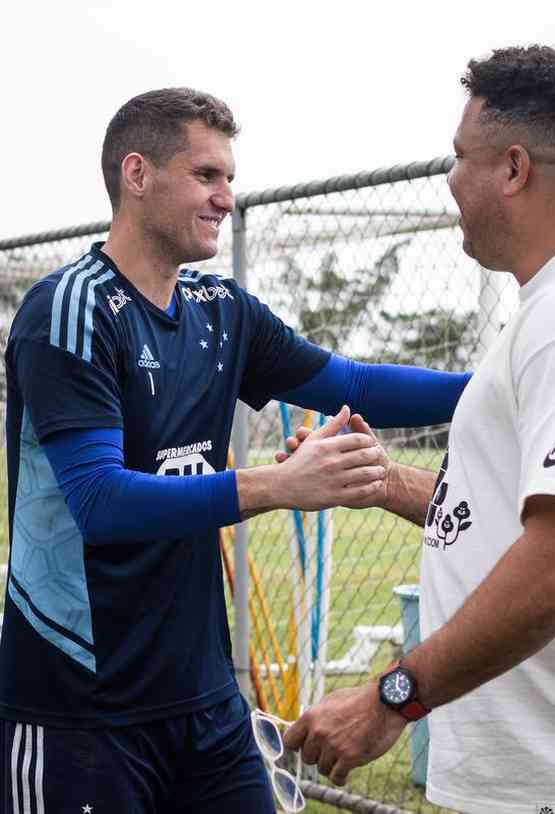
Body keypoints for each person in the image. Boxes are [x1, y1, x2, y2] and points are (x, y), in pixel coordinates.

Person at [0, 88, 470, 813]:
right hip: (82, 712)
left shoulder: (221, 312)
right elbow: (100, 501)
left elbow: (350, 382)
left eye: (229, 178)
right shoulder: (71, 310)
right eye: (207, 176)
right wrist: (278, 485)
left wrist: (500, 385)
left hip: (206, 699)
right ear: (137, 174)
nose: (226, 197)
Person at [283, 44, 555, 814]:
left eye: (459, 157)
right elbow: (520, 513)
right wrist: (380, 481)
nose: (449, 180)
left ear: (514, 169)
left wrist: (392, 698)